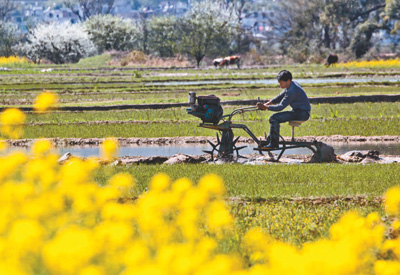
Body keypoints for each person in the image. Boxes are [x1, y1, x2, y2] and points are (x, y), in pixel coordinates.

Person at [256, 70, 311, 149]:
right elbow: (280, 96)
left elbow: (280, 107)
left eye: (281, 83)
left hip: (302, 114)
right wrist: (267, 104)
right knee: (274, 118)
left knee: (274, 118)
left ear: (288, 80)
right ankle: (270, 140)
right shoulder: (291, 85)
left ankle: (274, 144)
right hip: (298, 111)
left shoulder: (292, 90)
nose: (280, 85)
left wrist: (266, 107)